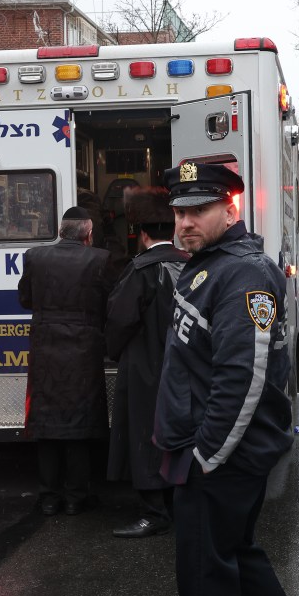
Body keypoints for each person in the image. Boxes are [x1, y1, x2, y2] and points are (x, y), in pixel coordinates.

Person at [153, 162, 299, 596]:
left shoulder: (241, 271)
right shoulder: (210, 266)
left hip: (220, 459)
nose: (184, 222)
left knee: (207, 583)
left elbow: (244, 377)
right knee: (235, 562)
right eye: (179, 211)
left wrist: (205, 455)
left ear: (230, 208)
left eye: (198, 210)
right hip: (212, 453)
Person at [105, 187, 189, 538]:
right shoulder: (193, 265)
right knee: (178, 433)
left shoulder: (139, 270)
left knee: (143, 434)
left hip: (143, 368)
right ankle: (177, 502)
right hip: (184, 366)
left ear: (141, 235)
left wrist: (113, 351)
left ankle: (154, 511)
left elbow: (119, 320)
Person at [18, 205, 111, 516]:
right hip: (84, 349)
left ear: (61, 231)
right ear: (88, 233)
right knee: (78, 425)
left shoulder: (35, 256)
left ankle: (47, 497)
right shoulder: (101, 259)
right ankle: (75, 497)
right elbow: (108, 301)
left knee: (47, 424)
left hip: (45, 348)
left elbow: (25, 299)